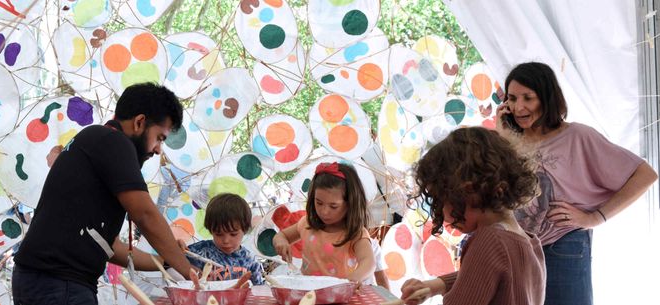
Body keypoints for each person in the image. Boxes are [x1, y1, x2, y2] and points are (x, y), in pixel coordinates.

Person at [13, 83, 196, 304]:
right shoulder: (113, 142)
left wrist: (166, 261)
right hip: (60, 282)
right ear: (139, 122)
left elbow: (111, 247)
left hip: (41, 280)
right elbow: (145, 215)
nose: (158, 149)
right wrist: (191, 274)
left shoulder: (95, 140)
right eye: (159, 137)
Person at [495, 62, 658, 305]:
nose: (519, 107)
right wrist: (502, 136)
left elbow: (645, 175)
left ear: (547, 97)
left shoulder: (578, 136)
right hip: (518, 248)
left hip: (562, 247)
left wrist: (596, 217)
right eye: (512, 98)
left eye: (528, 98)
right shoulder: (508, 141)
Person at [400, 127, 546, 305]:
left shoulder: (489, 241)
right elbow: (483, 275)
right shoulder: (528, 243)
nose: (441, 214)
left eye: (439, 200)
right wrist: (434, 286)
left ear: (466, 191)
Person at [272, 162, 375, 284]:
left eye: (333, 206)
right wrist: (281, 243)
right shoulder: (307, 223)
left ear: (350, 204)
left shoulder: (356, 233)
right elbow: (281, 236)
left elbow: (369, 262)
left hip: (340, 296)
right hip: (307, 294)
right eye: (319, 203)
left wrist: (352, 280)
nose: (324, 212)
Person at [178, 193, 264, 285]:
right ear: (211, 230)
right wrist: (177, 249)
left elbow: (258, 290)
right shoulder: (200, 251)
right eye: (219, 234)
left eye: (233, 234)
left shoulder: (250, 261)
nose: (226, 241)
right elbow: (168, 264)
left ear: (245, 229)